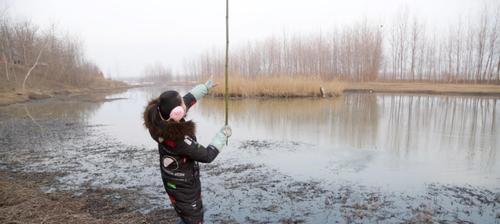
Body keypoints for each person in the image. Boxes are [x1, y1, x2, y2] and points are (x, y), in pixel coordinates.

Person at [143, 80, 231, 224]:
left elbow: (187, 100)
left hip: (173, 184)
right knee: (194, 219)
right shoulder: (179, 141)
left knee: (186, 217)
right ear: (176, 112)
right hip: (185, 189)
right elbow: (207, 155)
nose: (185, 104)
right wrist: (222, 136)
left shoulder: (158, 121)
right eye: (181, 104)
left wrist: (204, 88)